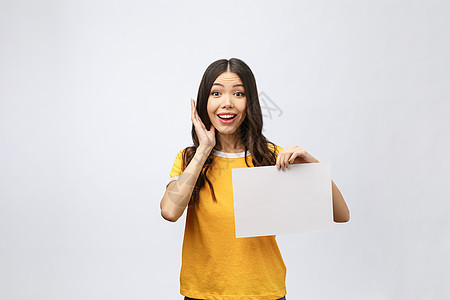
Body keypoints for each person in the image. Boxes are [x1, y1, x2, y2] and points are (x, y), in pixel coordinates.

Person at [160, 58, 350, 300]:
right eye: (216, 93)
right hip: (204, 294)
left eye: (238, 93)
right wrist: (204, 150)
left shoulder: (272, 157)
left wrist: (313, 168)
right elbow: (169, 211)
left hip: (263, 293)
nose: (226, 103)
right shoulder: (189, 159)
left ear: (249, 101)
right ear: (204, 102)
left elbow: (341, 215)